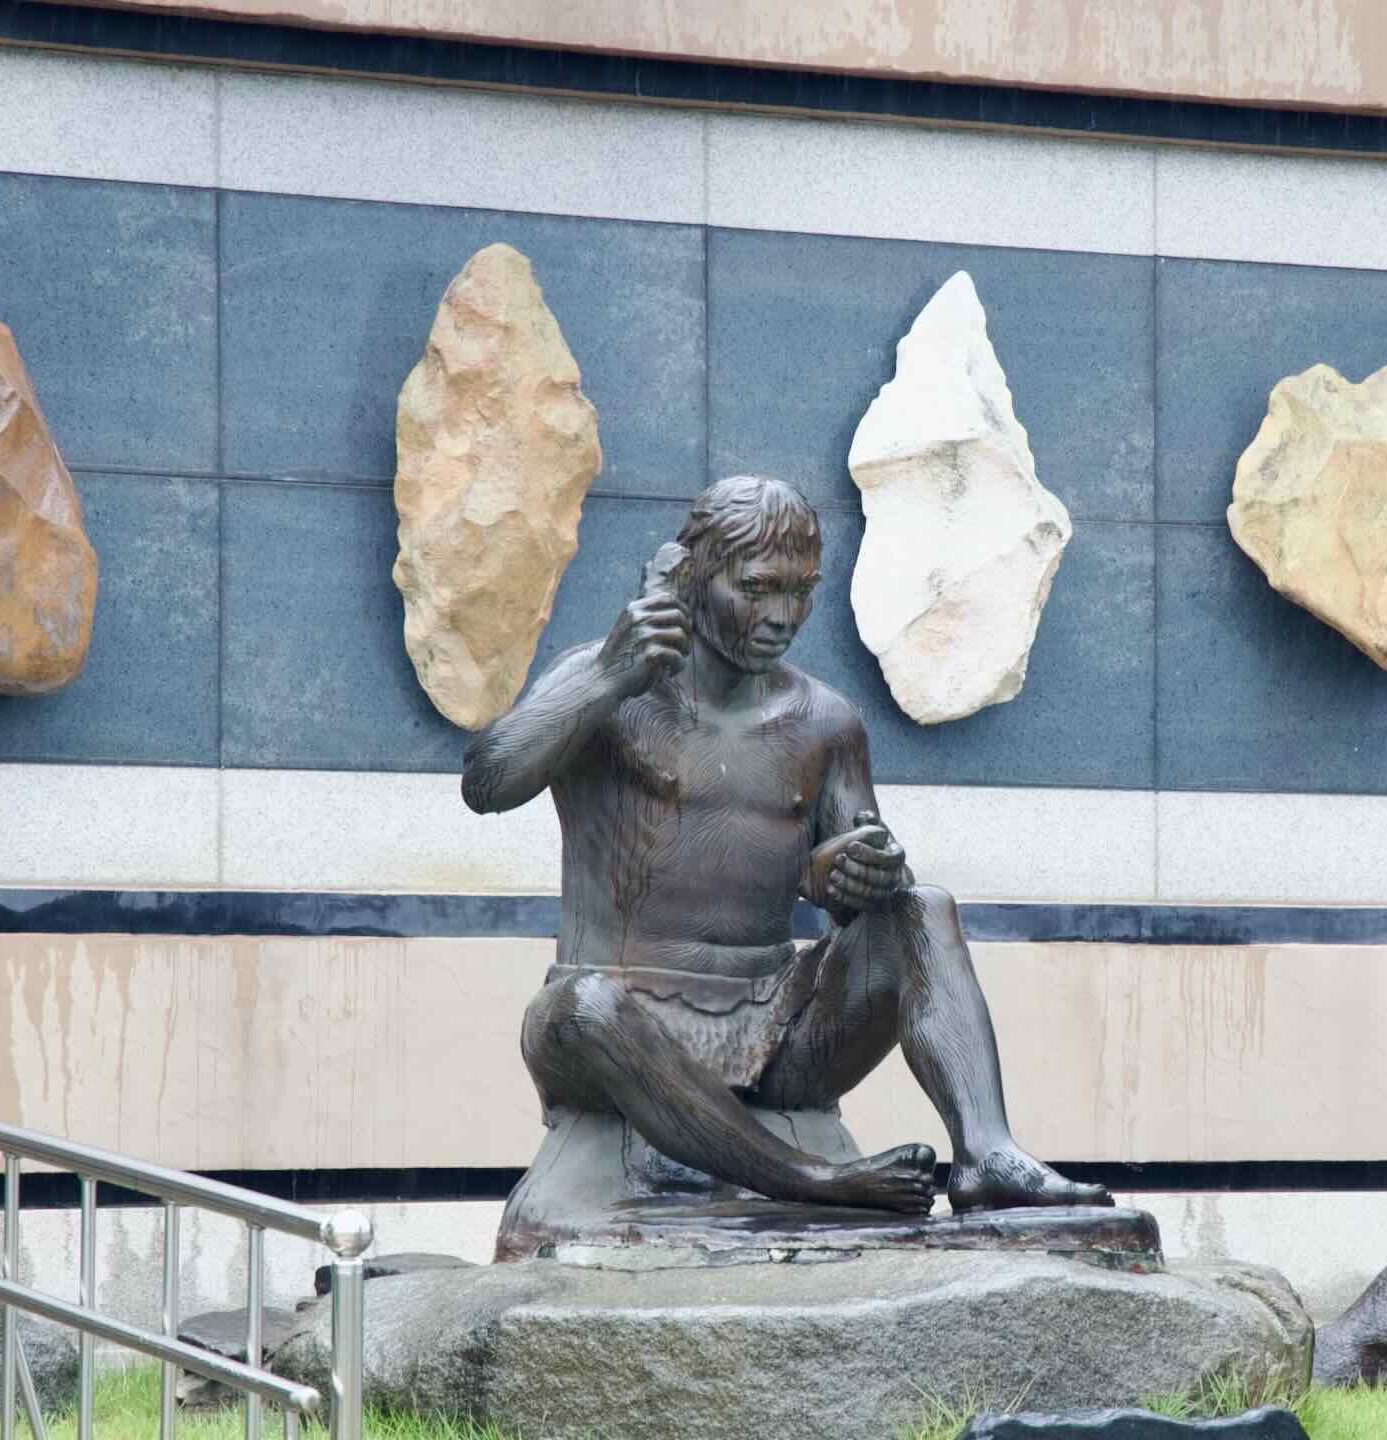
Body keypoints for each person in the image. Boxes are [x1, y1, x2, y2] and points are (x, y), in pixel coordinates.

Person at [462, 474, 1110, 1214]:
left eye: (801, 592)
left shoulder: (826, 721)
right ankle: (810, 1179)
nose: (783, 616)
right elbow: (487, 781)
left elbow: (855, 899)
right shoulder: (604, 678)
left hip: (776, 1033)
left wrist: (853, 874)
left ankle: (985, 1152)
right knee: (581, 1008)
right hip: (619, 1035)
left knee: (921, 910)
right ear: (692, 575)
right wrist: (612, 675)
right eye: (758, 588)